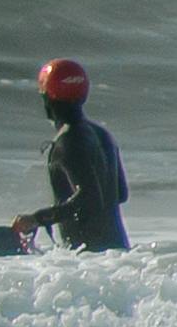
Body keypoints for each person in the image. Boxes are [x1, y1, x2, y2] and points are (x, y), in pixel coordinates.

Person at [11, 60, 131, 252]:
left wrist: (37, 219)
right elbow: (121, 194)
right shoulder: (102, 136)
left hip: (90, 262)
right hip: (119, 256)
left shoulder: (68, 142)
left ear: (47, 96)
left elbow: (89, 199)